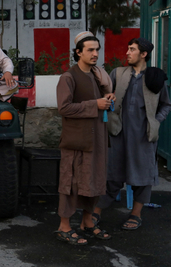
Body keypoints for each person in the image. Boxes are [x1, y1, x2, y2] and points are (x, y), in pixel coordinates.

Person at [93, 38, 171, 231]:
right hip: (117, 133)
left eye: (132, 50)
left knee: (143, 176)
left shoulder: (155, 76)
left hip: (143, 136)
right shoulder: (118, 73)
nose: (127, 53)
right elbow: (104, 95)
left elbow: (166, 105)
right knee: (111, 174)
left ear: (144, 54)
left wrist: (156, 121)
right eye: (128, 49)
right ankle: (95, 212)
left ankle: (135, 215)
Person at [54, 31, 114, 246]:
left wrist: (107, 97)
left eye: (97, 49)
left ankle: (87, 222)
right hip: (77, 140)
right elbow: (64, 108)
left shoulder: (97, 76)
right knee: (71, 182)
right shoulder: (68, 77)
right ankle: (64, 226)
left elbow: (98, 99)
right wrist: (94, 105)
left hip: (97, 138)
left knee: (94, 180)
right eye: (90, 50)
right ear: (78, 52)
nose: (95, 54)